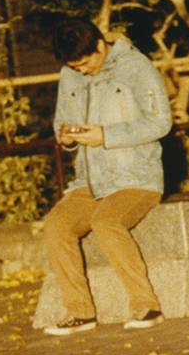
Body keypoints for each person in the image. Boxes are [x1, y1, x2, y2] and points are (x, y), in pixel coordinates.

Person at [42, 18, 172, 334]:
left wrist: (107, 136)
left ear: (101, 45)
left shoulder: (137, 68)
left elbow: (160, 123)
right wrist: (66, 135)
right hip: (90, 180)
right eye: (75, 67)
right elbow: (61, 120)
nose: (82, 71)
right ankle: (80, 312)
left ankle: (147, 307)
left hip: (136, 178)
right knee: (56, 226)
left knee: (106, 221)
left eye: (86, 63)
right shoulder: (70, 74)